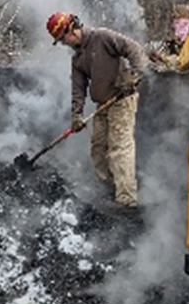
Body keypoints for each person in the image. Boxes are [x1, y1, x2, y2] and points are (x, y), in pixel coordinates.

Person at [46, 11, 146, 209]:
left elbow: (135, 50)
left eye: (63, 39)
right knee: (98, 149)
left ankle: (127, 199)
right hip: (103, 104)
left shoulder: (102, 37)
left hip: (122, 99)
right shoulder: (77, 59)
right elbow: (78, 89)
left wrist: (134, 75)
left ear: (72, 29)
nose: (64, 43)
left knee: (119, 147)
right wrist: (77, 115)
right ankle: (110, 190)